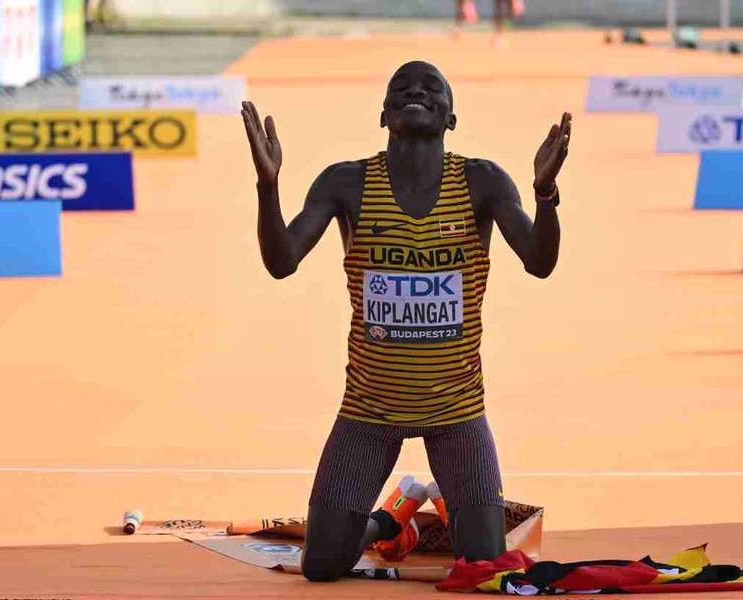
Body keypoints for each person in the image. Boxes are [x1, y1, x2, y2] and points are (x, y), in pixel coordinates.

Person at [241, 60, 570, 582]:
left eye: (431, 87)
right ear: (383, 113)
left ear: (451, 117)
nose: (416, 90)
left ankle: (446, 504)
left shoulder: (482, 181)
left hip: (457, 410)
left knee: (483, 567)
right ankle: (390, 520)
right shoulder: (345, 182)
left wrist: (545, 195)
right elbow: (282, 263)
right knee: (321, 566)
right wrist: (267, 184)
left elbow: (540, 261)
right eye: (402, 87)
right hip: (368, 409)